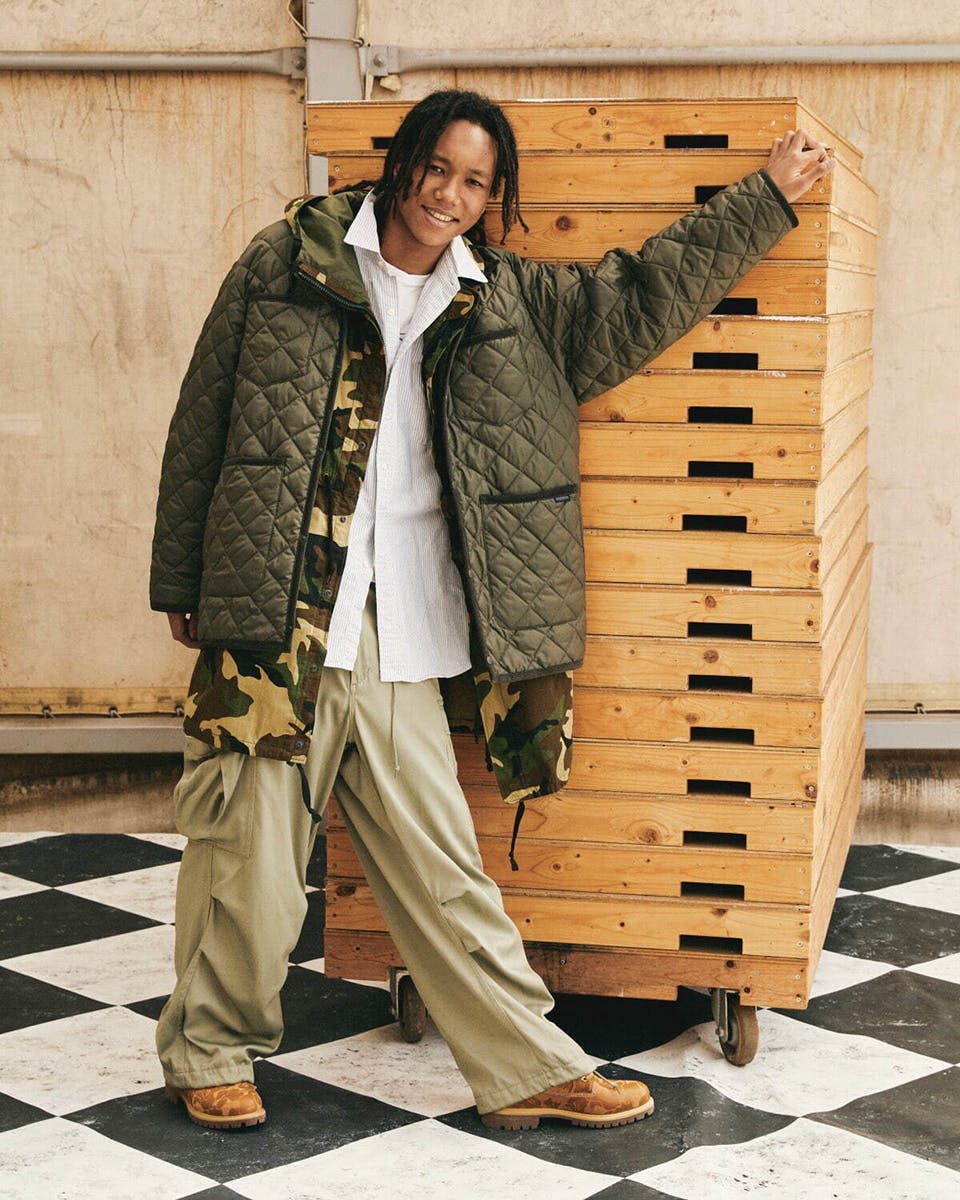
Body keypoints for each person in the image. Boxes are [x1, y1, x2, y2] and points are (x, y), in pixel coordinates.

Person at [149, 89, 833, 1132]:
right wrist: (180, 581)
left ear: (492, 196)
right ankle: (207, 1053)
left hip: (402, 622)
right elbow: (202, 416)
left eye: (474, 181)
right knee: (245, 855)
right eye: (436, 168)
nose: (449, 195)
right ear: (402, 163)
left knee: (440, 863)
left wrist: (766, 199)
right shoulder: (289, 261)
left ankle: (525, 1068)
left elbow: (644, 292)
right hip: (278, 616)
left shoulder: (508, 300)